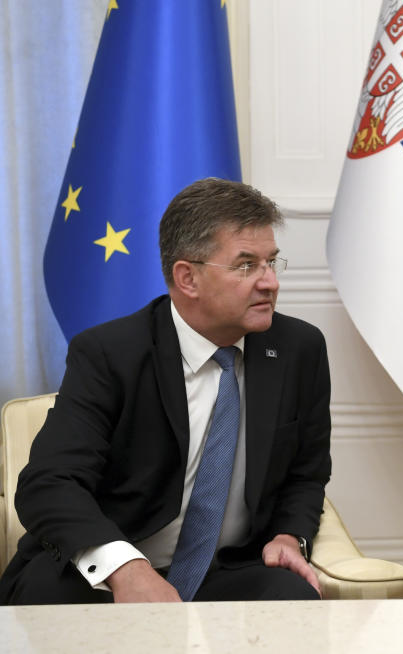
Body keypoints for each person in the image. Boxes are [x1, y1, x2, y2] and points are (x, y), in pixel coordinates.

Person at [0, 178, 332, 604]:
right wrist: (125, 567)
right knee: (46, 595)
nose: (270, 282)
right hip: (110, 566)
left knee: (292, 597)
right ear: (187, 277)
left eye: (271, 262)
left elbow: (306, 472)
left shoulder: (298, 349)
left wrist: (290, 535)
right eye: (246, 265)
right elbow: (49, 483)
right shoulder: (109, 354)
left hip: (226, 570)